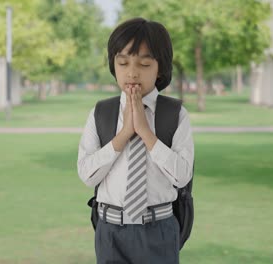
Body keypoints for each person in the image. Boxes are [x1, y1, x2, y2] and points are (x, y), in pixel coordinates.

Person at [77, 17, 194, 264]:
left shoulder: (174, 114)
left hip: (159, 230)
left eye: (143, 63)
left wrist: (145, 132)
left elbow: (182, 175)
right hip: (111, 231)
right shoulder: (101, 113)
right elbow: (87, 175)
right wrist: (123, 135)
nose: (131, 72)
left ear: (159, 67)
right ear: (114, 65)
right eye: (123, 62)